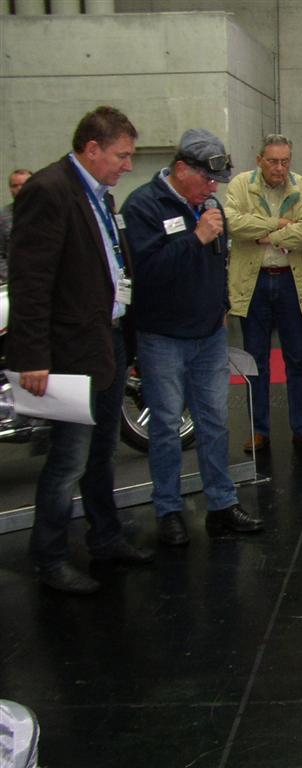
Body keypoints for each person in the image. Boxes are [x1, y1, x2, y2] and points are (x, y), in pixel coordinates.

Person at [6, 106, 152, 594]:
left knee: (100, 454)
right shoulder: (49, 191)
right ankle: (48, 558)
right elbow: (30, 280)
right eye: (122, 155)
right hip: (68, 352)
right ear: (92, 148)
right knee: (68, 459)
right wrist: (31, 357)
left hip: (103, 342)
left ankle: (105, 537)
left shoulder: (98, 196)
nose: (128, 165)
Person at [122, 128, 263, 547]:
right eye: (206, 179)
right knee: (165, 426)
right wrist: (195, 236)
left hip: (208, 334)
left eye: (217, 181)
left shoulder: (211, 205)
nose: (212, 187)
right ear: (181, 168)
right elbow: (145, 272)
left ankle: (221, 505)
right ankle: (168, 509)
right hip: (162, 336)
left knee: (215, 423)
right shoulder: (143, 206)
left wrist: (220, 307)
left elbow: (218, 263)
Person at [225, 133, 302, 453]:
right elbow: (232, 222)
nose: (280, 168)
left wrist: (267, 234)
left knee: (297, 359)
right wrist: (279, 223)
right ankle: (259, 430)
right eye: (273, 161)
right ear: (259, 161)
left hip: (291, 283)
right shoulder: (240, 186)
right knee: (256, 360)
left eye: (285, 161)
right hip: (253, 283)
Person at [0, 168, 32, 281]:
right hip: (15, 281)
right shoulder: (3, 216)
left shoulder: (49, 211)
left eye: (24, 184)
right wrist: (10, 277)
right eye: (14, 185)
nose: (19, 189)